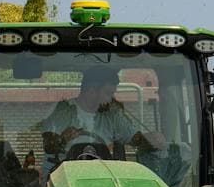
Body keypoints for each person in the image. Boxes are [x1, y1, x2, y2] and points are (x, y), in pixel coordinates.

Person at [35, 67, 165, 171]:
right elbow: (48, 146)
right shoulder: (64, 111)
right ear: (91, 92)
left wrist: (153, 139)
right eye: (108, 93)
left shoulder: (113, 116)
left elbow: (137, 140)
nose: (112, 99)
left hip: (104, 176)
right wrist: (62, 139)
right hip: (65, 177)